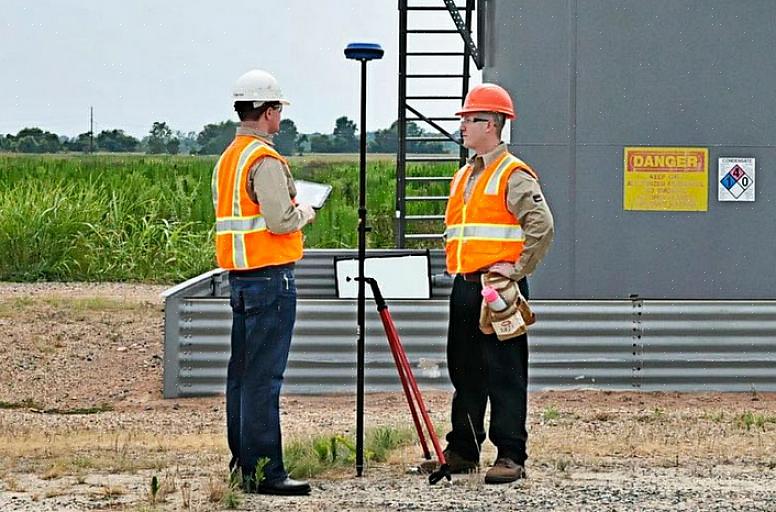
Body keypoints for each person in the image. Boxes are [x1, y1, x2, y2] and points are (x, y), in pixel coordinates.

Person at [431, 83, 555, 484]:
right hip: (466, 285)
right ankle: (464, 450)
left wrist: (517, 270)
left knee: (505, 371)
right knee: (464, 370)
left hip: (498, 289)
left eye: (469, 119)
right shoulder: (464, 175)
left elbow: (542, 226)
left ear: (491, 124)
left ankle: (510, 455)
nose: (463, 126)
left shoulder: (513, 174)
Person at [212, 69, 316, 496]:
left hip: (241, 278)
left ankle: (243, 464)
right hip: (271, 279)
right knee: (263, 379)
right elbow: (280, 220)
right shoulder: (265, 161)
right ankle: (267, 472)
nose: (280, 119)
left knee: (241, 376)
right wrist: (307, 211)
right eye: (278, 111)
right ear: (269, 112)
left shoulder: (229, 158)